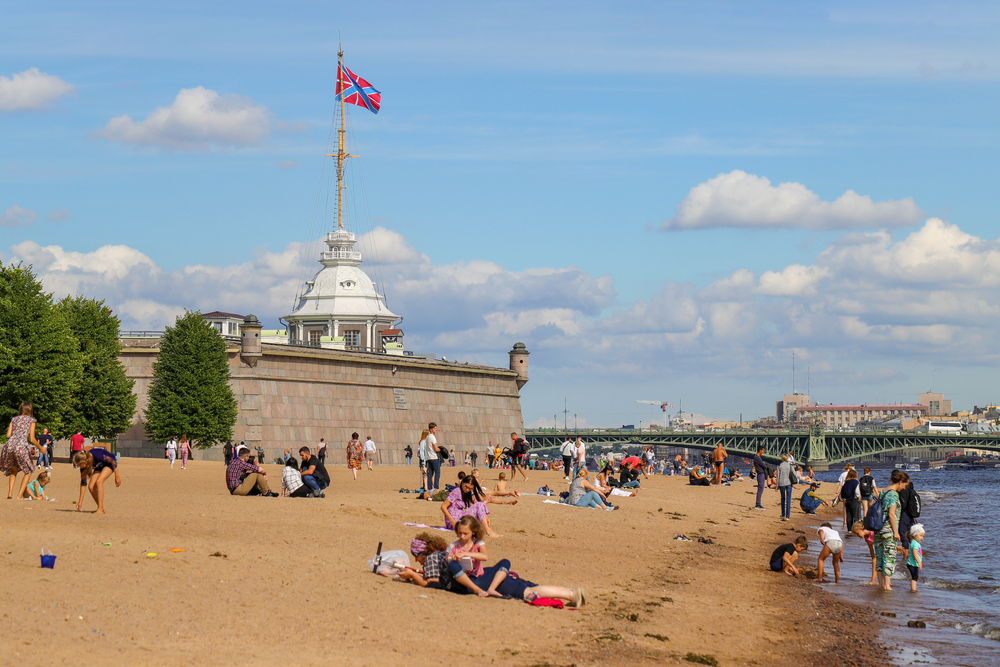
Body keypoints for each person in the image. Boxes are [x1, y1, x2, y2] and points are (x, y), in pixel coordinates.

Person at [2, 401, 44, 500]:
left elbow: (8, 435)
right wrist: (41, 448)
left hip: (10, 445)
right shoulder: (31, 421)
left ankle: (10, 492)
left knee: (14, 469)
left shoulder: (14, 419)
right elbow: (32, 439)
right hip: (21, 446)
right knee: (28, 471)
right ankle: (19, 495)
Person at [875, 469, 908, 591]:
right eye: (905, 485)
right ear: (900, 482)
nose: (904, 488)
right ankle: (887, 585)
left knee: (879, 556)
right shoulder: (894, 494)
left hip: (878, 528)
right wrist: (896, 532)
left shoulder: (883, 491)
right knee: (889, 556)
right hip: (888, 530)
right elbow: (892, 514)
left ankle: (880, 584)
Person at [73, 447, 121, 514]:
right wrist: (80, 501)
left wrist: (117, 476)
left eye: (80, 465)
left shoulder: (97, 455)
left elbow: (112, 461)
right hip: (99, 466)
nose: (80, 467)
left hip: (109, 464)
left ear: (86, 461)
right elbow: (83, 483)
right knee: (91, 486)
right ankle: (101, 508)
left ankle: (100, 509)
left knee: (99, 481)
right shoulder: (83, 466)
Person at [850, 521, 879, 586]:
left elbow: (883, 542)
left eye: (857, 534)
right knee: (874, 562)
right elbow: (871, 549)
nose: (858, 536)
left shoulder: (872, 533)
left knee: (881, 563)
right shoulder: (866, 537)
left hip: (882, 547)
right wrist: (873, 558)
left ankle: (877, 581)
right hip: (879, 548)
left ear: (862, 529)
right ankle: (873, 580)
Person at [905, 524, 925, 592]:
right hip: (913, 564)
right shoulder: (915, 543)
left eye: (923, 536)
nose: (922, 538)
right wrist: (919, 562)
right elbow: (914, 553)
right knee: (915, 577)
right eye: (921, 536)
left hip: (913, 564)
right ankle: (913, 589)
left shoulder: (914, 542)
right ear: (914, 535)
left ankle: (913, 588)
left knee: (915, 577)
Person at [776, 454, 795, 521]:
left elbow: (778, 477)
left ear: (782, 459)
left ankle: (783, 514)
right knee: (788, 499)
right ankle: (788, 516)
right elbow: (794, 474)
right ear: (787, 459)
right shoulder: (790, 465)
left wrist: (777, 486)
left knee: (783, 498)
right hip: (789, 483)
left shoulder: (779, 466)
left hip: (782, 484)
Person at [425, 423, 442, 491]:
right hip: (434, 457)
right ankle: (436, 487)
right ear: (431, 429)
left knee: (430, 474)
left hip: (429, 458)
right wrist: (440, 450)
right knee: (437, 473)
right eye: (435, 428)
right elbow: (436, 449)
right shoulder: (432, 437)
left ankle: (429, 488)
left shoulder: (427, 437)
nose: (436, 430)